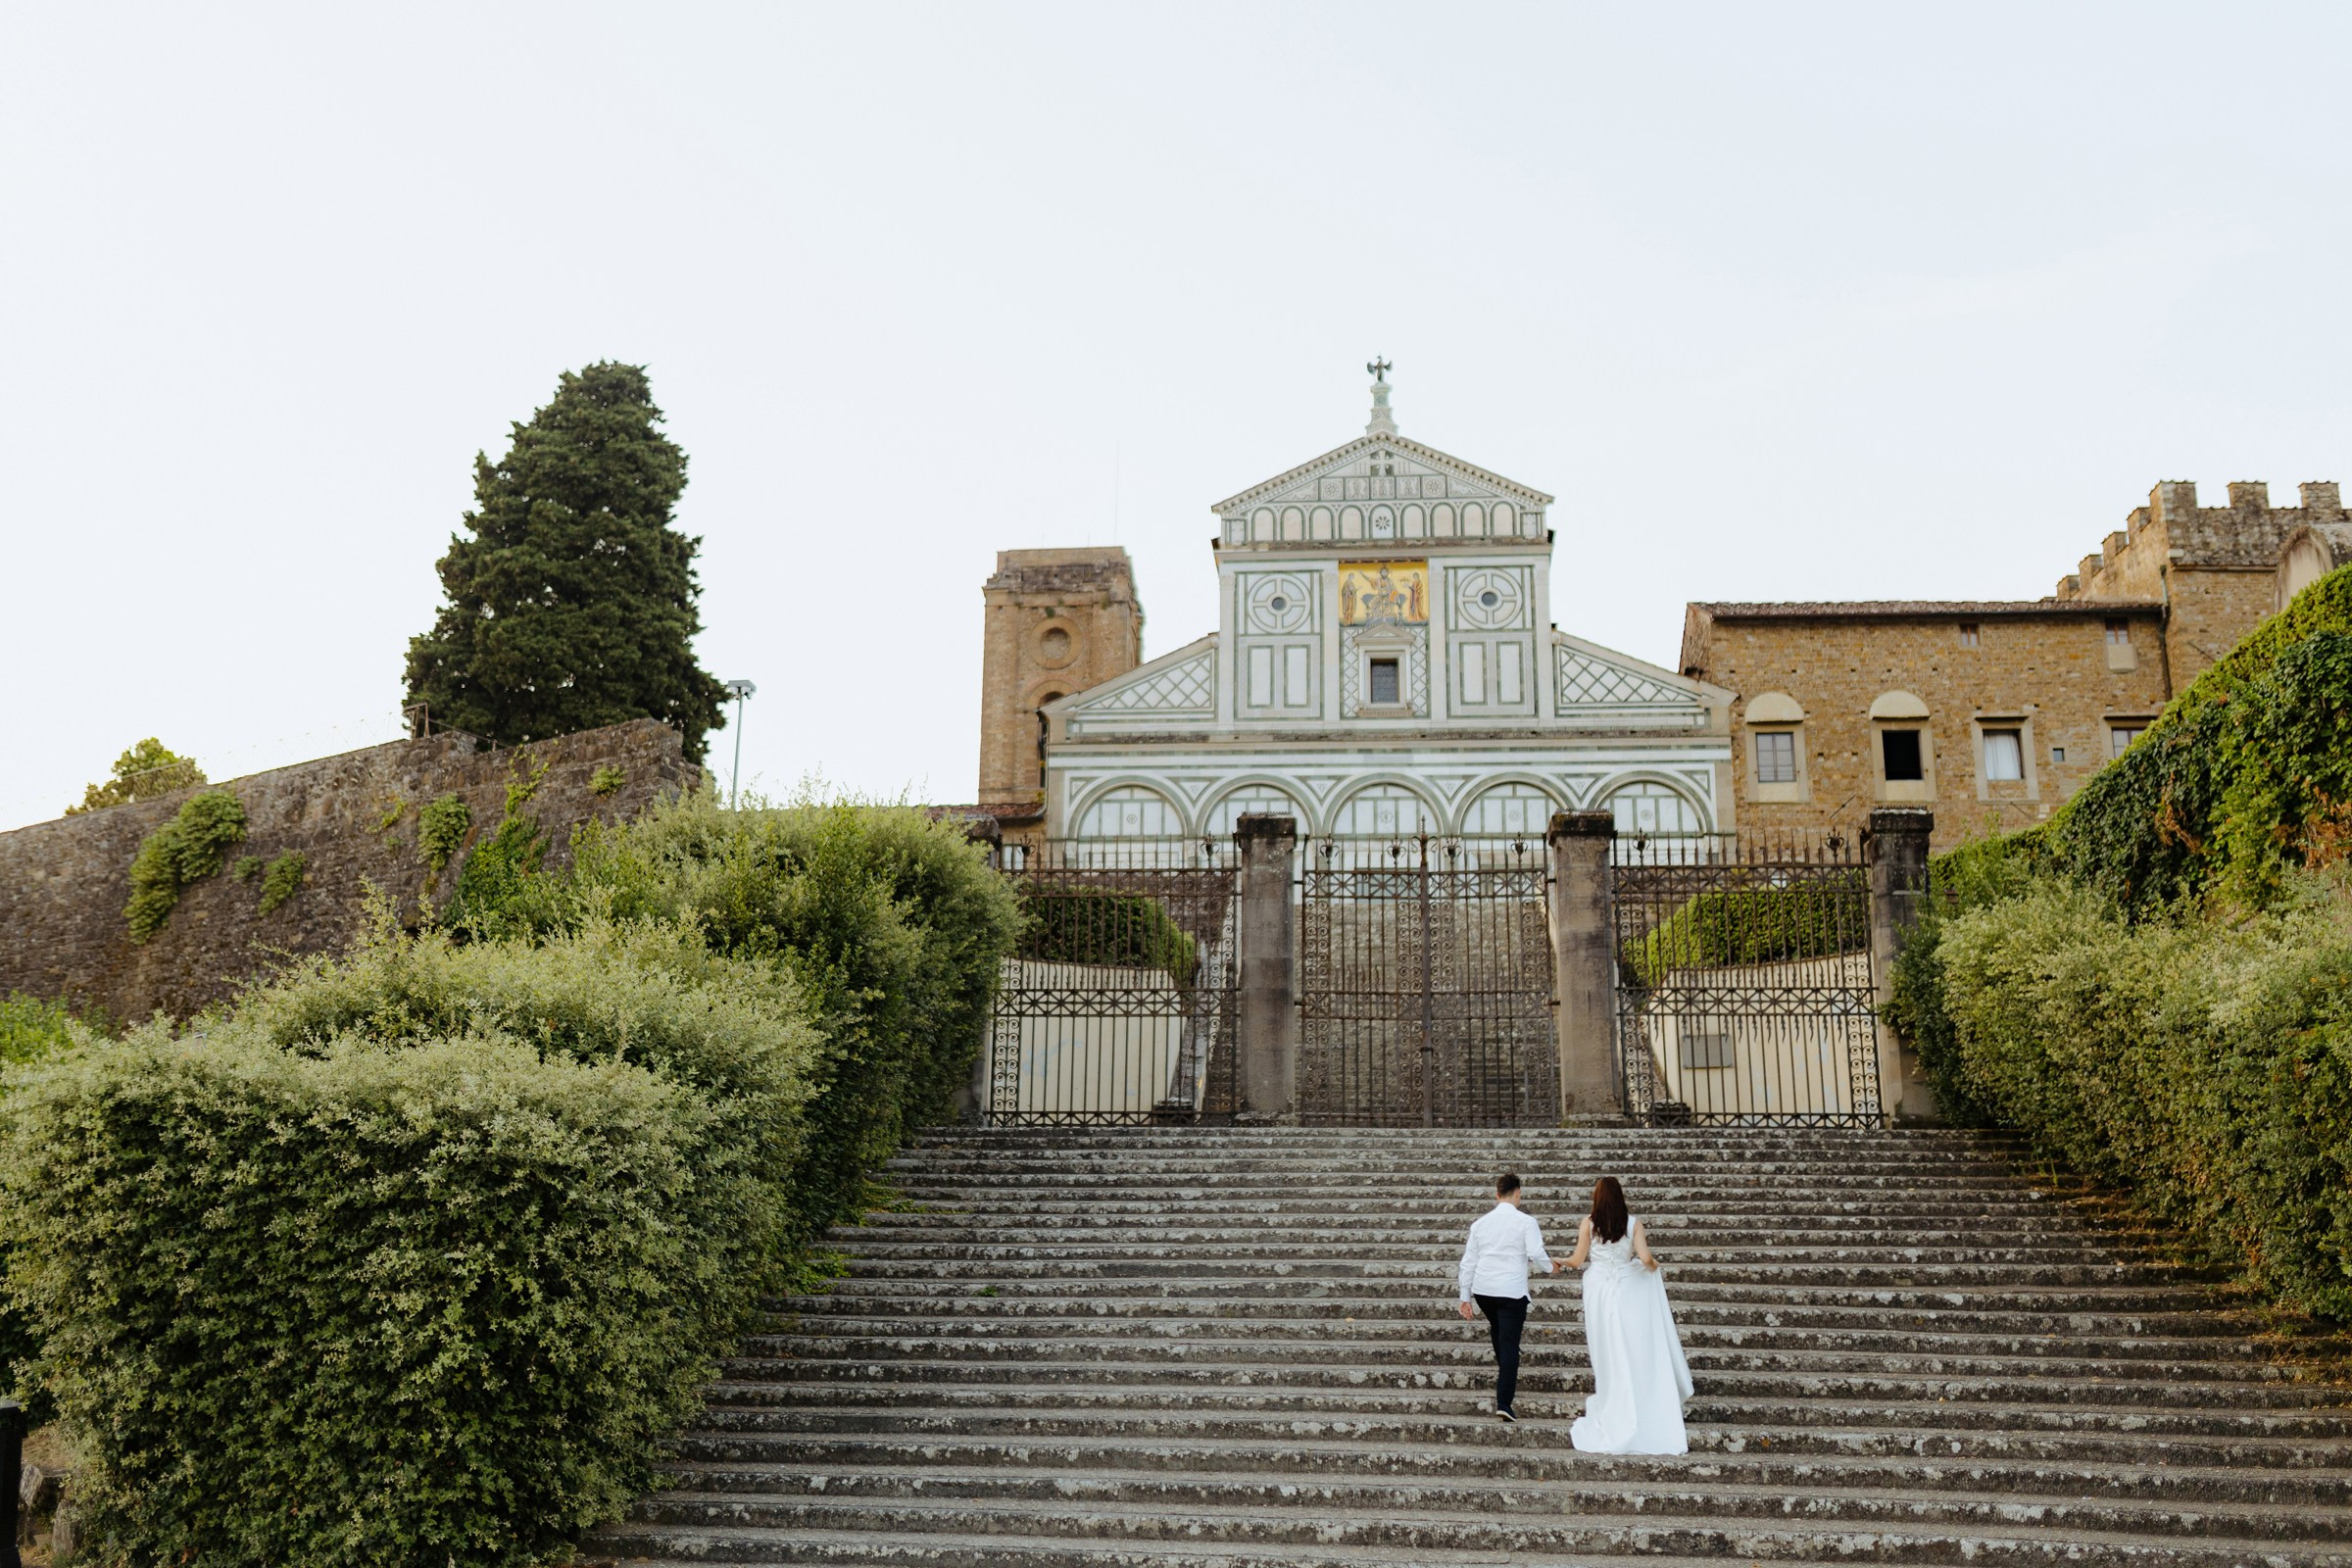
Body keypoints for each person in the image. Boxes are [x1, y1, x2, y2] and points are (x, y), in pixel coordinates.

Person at [1563, 1175, 1692, 1454]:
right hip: (1626, 1292)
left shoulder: (1588, 1223)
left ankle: (1613, 1399)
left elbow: (1577, 1260)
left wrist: (1559, 1261)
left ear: (1597, 1198)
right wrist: (1655, 1265)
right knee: (1631, 1346)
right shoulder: (1633, 1223)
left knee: (1607, 1349)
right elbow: (1645, 1259)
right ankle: (1639, 1398)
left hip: (1599, 1292)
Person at [1455, 1170, 1556, 1421]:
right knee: (1509, 1344)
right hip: (1511, 1291)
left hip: (1484, 1290)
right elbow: (1535, 1251)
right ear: (1518, 1194)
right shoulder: (1526, 1222)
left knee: (1499, 1333)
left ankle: (1505, 1377)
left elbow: (1469, 1261)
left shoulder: (1479, 1224)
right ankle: (1504, 1402)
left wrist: (1464, 1296)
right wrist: (1550, 1267)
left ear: (1497, 1194)